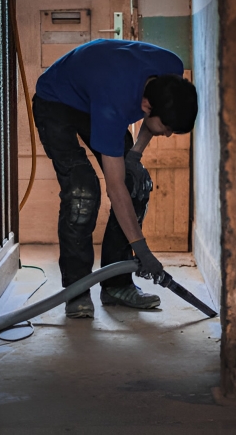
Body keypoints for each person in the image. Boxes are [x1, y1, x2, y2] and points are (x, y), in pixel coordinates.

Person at [32, 39, 198, 318]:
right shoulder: (114, 102)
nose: (168, 135)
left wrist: (134, 156)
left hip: (96, 89)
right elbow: (114, 187)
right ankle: (77, 290)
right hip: (56, 100)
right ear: (146, 105)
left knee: (136, 181)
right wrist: (142, 250)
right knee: (82, 192)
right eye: (167, 128)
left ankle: (116, 286)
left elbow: (153, 120)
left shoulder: (171, 71)